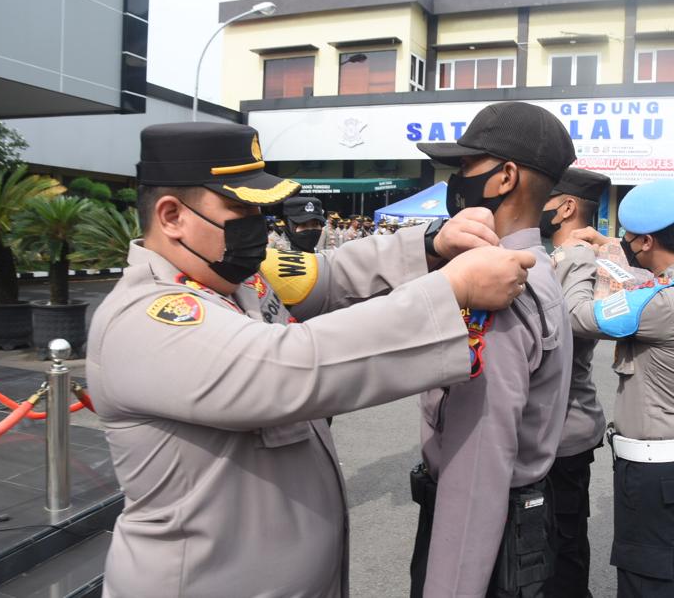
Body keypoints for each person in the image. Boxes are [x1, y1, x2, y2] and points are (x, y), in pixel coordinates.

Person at [86, 121, 538, 598]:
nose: (260, 223)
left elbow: (330, 275)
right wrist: (451, 291)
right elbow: (288, 367)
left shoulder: (233, 281)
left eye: (264, 208)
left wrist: (431, 246)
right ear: (172, 216)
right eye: (241, 208)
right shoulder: (147, 317)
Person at [410, 101, 575, 598]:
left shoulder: (499, 286)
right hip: (512, 526)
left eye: (464, 167)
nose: (455, 181)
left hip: (485, 535)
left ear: (505, 177)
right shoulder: (530, 266)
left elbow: (476, 467)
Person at [558, 178, 674, 598]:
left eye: (633, 239)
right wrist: (611, 245)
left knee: (650, 583)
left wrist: (577, 256)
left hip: (656, 473)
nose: (629, 245)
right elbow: (643, 277)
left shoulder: (663, 303)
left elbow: (578, 314)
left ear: (648, 240)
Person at [539, 167, 611, 598]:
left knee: (561, 535)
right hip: (562, 420)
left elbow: (567, 329)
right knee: (556, 531)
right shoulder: (567, 257)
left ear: (565, 207)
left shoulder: (576, 258)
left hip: (564, 422)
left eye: (542, 200)